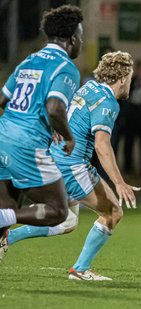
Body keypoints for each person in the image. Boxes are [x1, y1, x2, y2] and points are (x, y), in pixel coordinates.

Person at [1, 52, 139, 281]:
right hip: (72, 165)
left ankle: (8, 236)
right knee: (113, 212)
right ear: (123, 77)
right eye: (131, 78)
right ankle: (80, 269)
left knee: (67, 221)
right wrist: (119, 182)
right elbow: (102, 146)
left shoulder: (88, 88)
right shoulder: (107, 102)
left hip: (54, 159)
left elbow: (56, 106)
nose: (130, 84)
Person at [0, 5, 83, 244]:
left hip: (4, 135)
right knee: (58, 210)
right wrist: (67, 136)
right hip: (27, 144)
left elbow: (2, 100)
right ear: (73, 39)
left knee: (7, 212)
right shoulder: (66, 67)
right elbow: (54, 107)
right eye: (81, 36)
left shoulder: (29, 61)